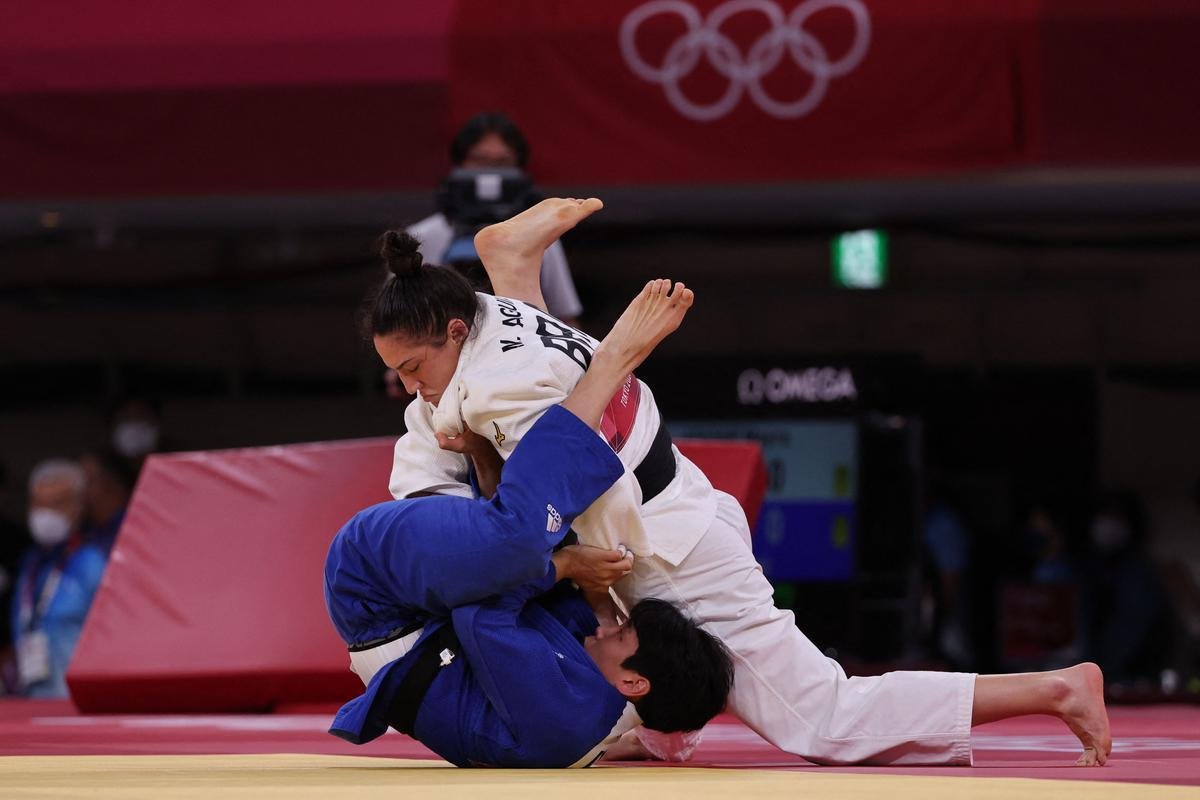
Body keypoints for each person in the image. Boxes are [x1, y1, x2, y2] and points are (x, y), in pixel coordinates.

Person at [369, 197, 1114, 767]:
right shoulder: (495, 324)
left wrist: (577, 569)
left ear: (457, 331)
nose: (408, 388)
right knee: (627, 655)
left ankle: (1054, 687)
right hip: (666, 507)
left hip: (667, 545)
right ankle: (515, 263)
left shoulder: (495, 389)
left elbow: (546, 495)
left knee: (822, 717)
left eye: (412, 369)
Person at [327, 278, 734, 767]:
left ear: (634, 682)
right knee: (537, 535)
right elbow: (506, 563)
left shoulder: (566, 721)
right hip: (434, 579)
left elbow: (480, 610)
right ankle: (520, 282)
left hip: (374, 591)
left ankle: (609, 364)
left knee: (527, 544)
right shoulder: (593, 682)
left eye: (623, 634)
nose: (610, 627)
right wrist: (482, 452)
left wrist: (566, 568)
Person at [406, 111, 583, 327]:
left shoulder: (544, 238)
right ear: (459, 165)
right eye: (480, 160)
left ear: (518, 168)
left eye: (502, 162)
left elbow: (566, 321)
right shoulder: (420, 238)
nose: (490, 172)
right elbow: (398, 325)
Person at [10, 459, 107, 697]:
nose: (46, 512)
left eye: (57, 503)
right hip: (29, 698)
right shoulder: (31, 562)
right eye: (39, 503)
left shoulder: (93, 562)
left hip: (74, 703)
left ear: (79, 506)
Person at [79, 449, 136, 556]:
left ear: (111, 483)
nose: (80, 489)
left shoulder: (133, 529)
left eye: (87, 481)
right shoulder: (86, 530)